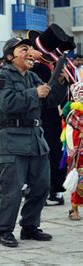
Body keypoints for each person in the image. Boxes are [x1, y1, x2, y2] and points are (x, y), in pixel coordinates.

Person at [0, 37, 68, 248]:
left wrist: (58, 83)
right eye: (24, 49)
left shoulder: (32, 76)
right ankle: (4, 230)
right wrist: (34, 93)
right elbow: (7, 103)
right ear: (10, 56)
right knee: (12, 189)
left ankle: (30, 226)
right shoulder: (2, 77)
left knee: (42, 186)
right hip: (13, 138)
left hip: (35, 137)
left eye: (30, 48)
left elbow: (50, 102)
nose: (30, 53)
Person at [28, 24, 73, 206]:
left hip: (47, 115)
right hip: (52, 115)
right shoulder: (52, 66)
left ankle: (53, 191)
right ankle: (50, 189)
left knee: (49, 153)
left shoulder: (41, 68)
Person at [61, 82, 83, 220]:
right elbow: (69, 135)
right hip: (79, 154)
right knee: (78, 180)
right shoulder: (73, 114)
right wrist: (73, 151)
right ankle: (74, 209)